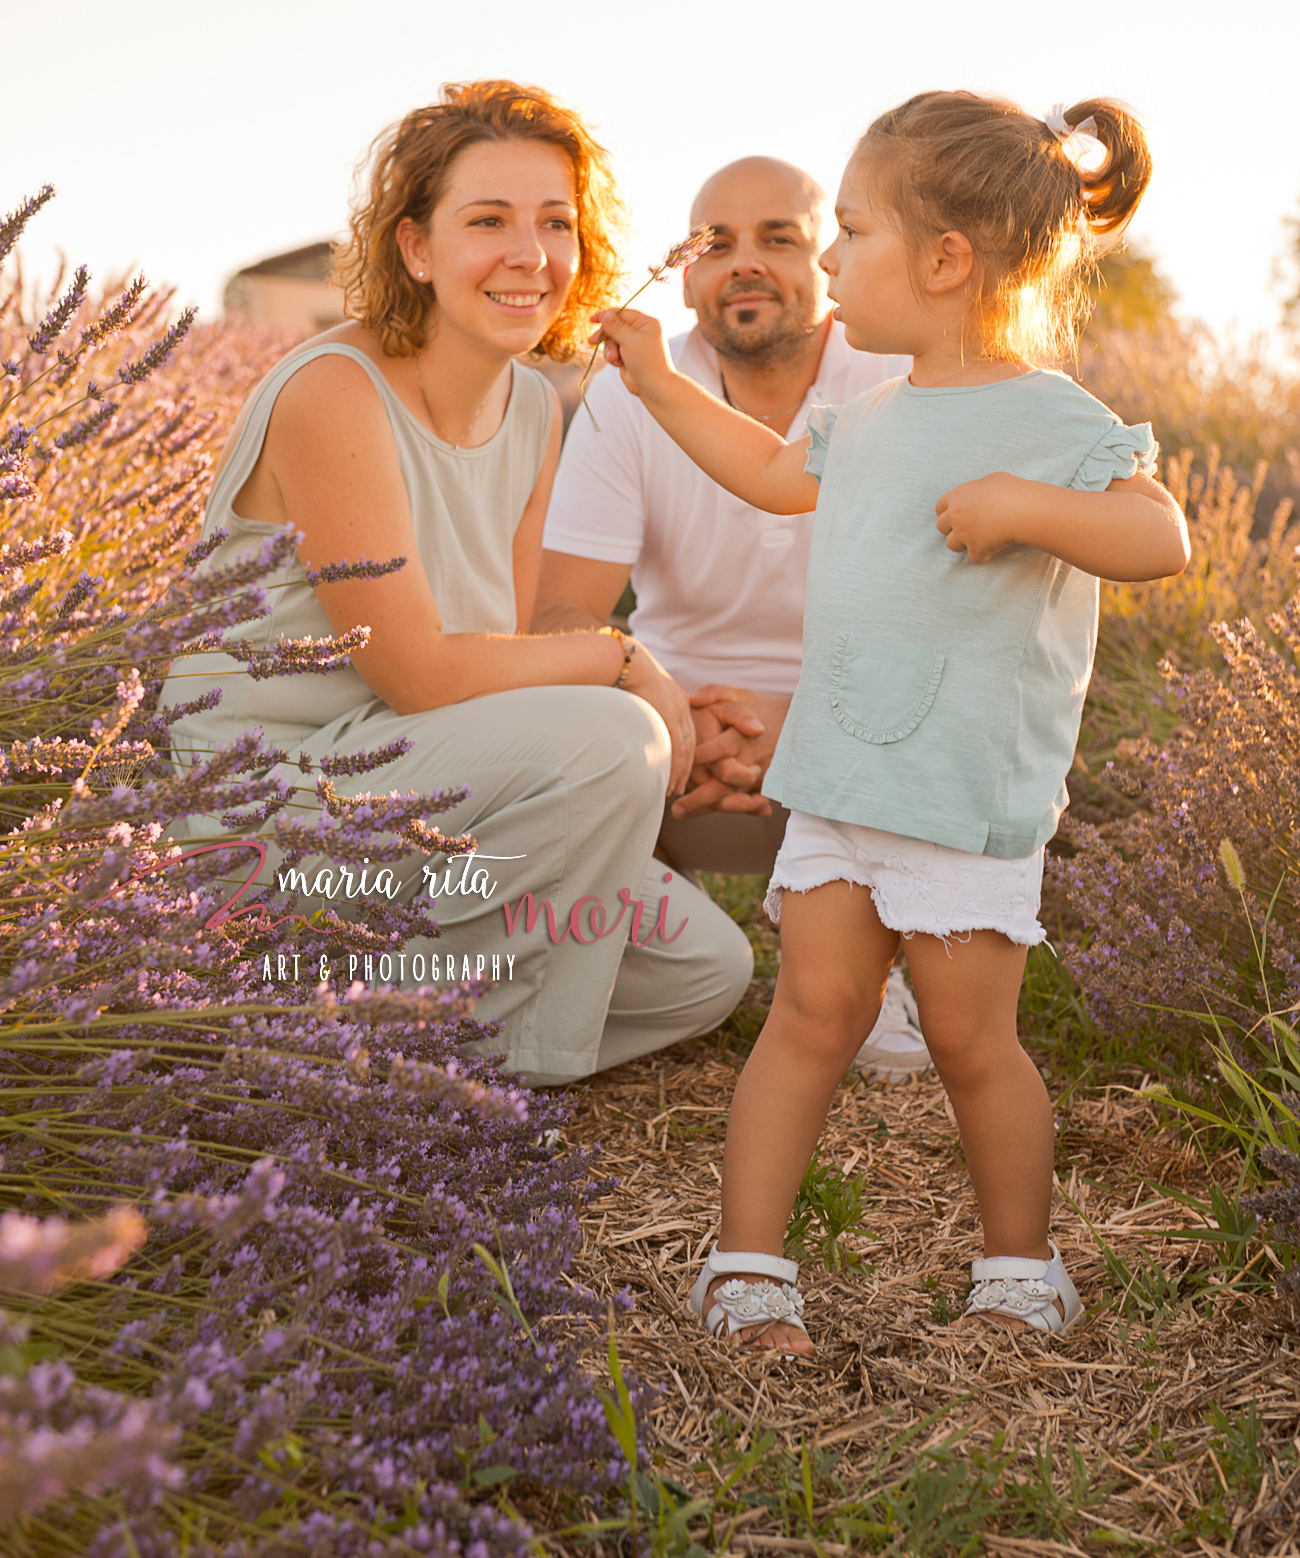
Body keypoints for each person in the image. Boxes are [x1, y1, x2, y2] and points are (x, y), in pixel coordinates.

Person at [590, 90, 1190, 1355]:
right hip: (842, 776)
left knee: (973, 1042)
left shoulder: (1048, 417)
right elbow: (764, 473)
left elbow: (1158, 535)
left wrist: (1032, 504)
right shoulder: (863, 417)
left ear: (944, 261)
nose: (835, 261)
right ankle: (746, 1269)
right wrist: (652, 382)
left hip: (960, 792)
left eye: (849, 233)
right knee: (812, 1014)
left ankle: (1020, 1272)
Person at [156, 80, 753, 1087]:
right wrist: (622, 661)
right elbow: (423, 677)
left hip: (416, 803)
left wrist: (675, 719)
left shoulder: (531, 408)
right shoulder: (333, 391)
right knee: (613, 738)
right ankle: (489, 1078)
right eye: (488, 221)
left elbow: (505, 650)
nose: (530, 255)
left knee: (704, 970)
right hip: (279, 810)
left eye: (554, 222)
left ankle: (327, 1021)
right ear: (415, 249)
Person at [535, 156, 927, 1077]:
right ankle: (607, 961)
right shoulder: (630, 393)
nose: (744, 263)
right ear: (685, 274)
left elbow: (941, 621)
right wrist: (663, 704)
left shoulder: (899, 378)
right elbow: (558, 613)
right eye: (716, 245)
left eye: (777, 238)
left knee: (944, 700)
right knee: (583, 726)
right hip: (685, 747)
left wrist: (809, 726)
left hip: (856, 742)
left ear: (826, 259)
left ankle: (872, 975)